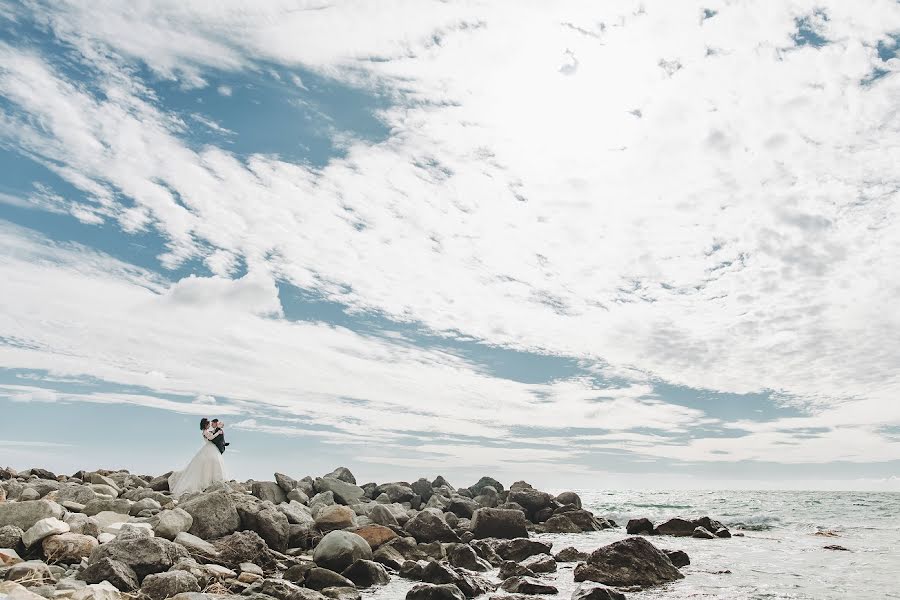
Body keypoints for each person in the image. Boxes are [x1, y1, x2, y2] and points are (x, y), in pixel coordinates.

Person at [167, 417, 226, 497]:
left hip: (211, 448)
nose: (210, 425)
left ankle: (214, 481)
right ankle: (209, 482)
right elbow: (211, 438)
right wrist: (218, 433)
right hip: (209, 448)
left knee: (212, 463)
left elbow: (212, 433)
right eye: (209, 424)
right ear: (205, 425)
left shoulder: (207, 431)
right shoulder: (205, 432)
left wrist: (218, 429)